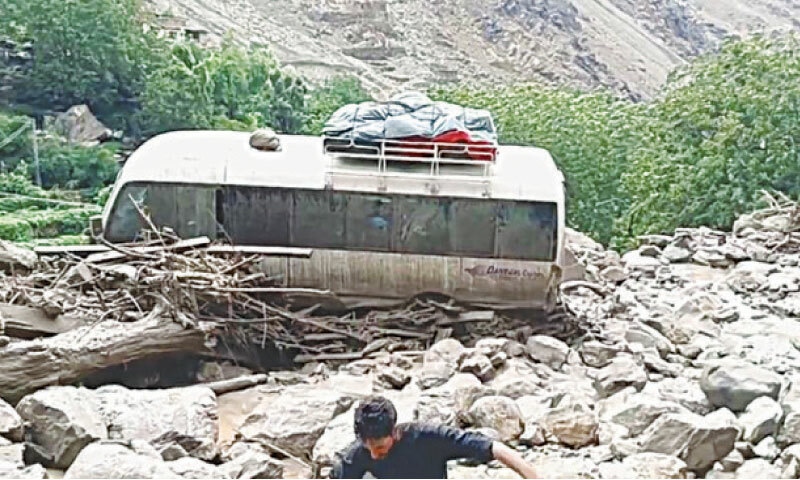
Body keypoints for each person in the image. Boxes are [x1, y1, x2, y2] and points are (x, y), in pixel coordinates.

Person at [331, 396, 538, 479]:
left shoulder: (428, 438)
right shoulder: (353, 457)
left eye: (381, 448)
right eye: (370, 449)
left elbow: (495, 449)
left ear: (395, 432)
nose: (375, 456)